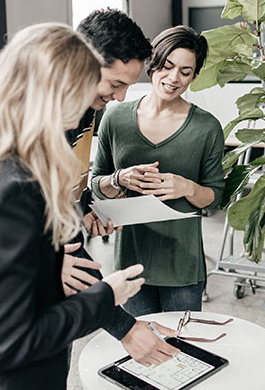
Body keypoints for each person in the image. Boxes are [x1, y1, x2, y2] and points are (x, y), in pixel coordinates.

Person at [0, 23, 145, 389]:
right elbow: (5, 344)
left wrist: (36, 263)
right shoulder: (16, 189)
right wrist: (105, 296)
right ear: (58, 95)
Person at [60, 8, 180, 364]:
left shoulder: (86, 111)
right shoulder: (42, 127)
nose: (122, 97)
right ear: (80, 64)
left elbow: (69, 187)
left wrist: (84, 211)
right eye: (115, 84)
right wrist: (123, 326)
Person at [90, 25, 225, 315]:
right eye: (167, 66)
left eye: (185, 72)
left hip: (183, 267)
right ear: (152, 64)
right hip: (131, 262)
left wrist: (186, 187)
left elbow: (215, 197)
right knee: (134, 353)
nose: (174, 78)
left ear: (195, 76)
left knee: (183, 351)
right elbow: (94, 183)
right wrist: (119, 178)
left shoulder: (206, 127)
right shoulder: (115, 117)